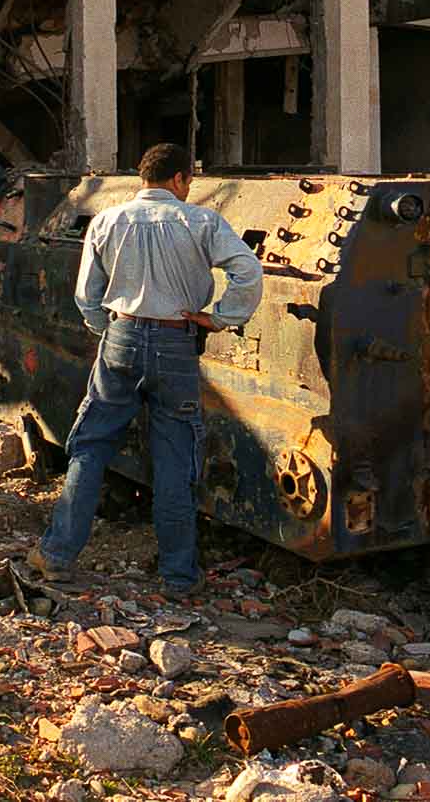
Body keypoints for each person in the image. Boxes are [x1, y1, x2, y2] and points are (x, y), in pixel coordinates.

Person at [29, 142, 264, 597]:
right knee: (176, 458)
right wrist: (220, 316)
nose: (187, 189)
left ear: (142, 177)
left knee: (91, 446)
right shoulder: (201, 221)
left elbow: (86, 296)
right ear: (179, 179)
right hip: (176, 342)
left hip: (121, 335)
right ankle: (178, 576)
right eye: (187, 182)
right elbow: (247, 271)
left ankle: (57, 556)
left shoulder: (107, 220)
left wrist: (110, 331)